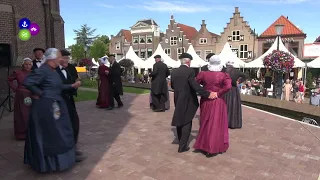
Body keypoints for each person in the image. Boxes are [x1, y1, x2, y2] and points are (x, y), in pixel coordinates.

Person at [23, 48, 82, 173]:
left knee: (62, 131)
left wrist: (71, 86)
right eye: (60, 57)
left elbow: (58, 86)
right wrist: (40, 93)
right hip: (45, 107)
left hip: (56, 104)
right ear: (52, 58)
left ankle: (65, 159)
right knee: (52, 133)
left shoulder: (53, 71)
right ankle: (50, 164)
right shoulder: (43, 70)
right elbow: (27, 82)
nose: (61, 59)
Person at [170, 53, 215, 153]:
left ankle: (180, 139)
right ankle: (183, 146)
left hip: (177, 98)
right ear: (188, 61)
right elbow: (195, 86)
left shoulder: (174, 71)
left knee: (179, 117)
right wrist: (207, 94)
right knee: (187, 120)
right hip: (188, 99)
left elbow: (172, 85)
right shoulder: (190, 71)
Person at [193, 55, 232, 157]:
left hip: (206, 100)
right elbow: (228, 86)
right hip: (218, 101)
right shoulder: (224, 75)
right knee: (216, 123)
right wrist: (218, 93)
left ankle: (205, 145)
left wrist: (204, 92)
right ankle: (214, 146)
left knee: (205, 122)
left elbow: (195, 83)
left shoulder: (203, 74)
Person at [56, 49, 85, 161]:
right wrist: (72, 85)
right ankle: (67, 150)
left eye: (68, 58)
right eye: (65, 57)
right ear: (59, 58)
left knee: (74, 123)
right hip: (60, 101)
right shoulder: (54, 70)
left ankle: (72, 146)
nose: (67, 60)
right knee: (64, 125)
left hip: (69, 99)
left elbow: (74, 78)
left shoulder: (68, 68)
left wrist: (77, 83)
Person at [7, 58, 33, 140]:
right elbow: (9, 80)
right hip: (21, 95)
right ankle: (21, 134)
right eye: (26, 64)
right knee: (21, 114)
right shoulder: (18, 73)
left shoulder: (34, 73)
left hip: (31, 94)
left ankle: (31, 132)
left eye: (29, 64)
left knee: (30, 113)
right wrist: (15, 88)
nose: (27, 66)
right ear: (23, 65)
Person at [223, 59, 246, 129]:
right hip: (233, 90)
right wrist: (239, 81)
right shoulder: (236, 71)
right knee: (234, 105)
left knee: (225, 105)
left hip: (225, 90)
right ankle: (233, 123)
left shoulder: (223, 71)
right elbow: (245, 75)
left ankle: (224, 122)